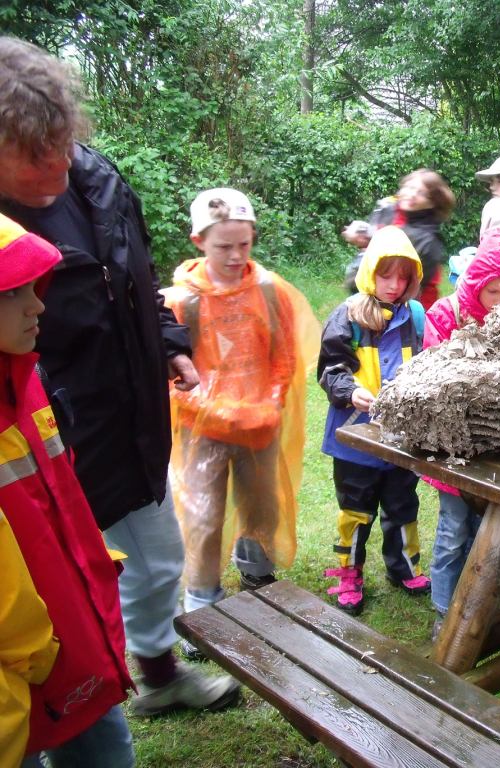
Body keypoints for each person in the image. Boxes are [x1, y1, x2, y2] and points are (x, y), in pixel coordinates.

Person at [0, 35, 240, 716]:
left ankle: (158, 675)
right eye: (30, 150)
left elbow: (134, 277)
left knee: (160, 557)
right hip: (39, 444)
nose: (54, 161)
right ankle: (66, 713)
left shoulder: (97, 179)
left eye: (60, 139)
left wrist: (166, 339)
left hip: (131, 417)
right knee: (57, 589)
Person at [0, 213, 134, 767]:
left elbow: (61, 492)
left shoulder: (26, 378)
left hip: (72, 630)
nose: (38, 305)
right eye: (13, 291)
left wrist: (96, 562)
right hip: (19, 666)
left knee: (105, 749)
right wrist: (34, 651)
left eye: (36, 285)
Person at [163, 188, 319, 630]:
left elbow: (284, 353)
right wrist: (210, 407)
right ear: (199, 242)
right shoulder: (182, 301)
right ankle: (202, 601)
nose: (235, 256)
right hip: (203, 428)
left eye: (244, 245)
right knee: (203, 513)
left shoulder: (268, 291)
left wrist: (271, 399)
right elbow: (170, 371)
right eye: (223, 247)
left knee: (261, 503)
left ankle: (255, 570)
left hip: (258, 424)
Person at [424, 228, 500, 637]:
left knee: (491, 529)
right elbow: (434, 376)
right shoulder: (447, 316)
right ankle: (443, 610)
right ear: (476, 286)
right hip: (456, 447)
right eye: (494, 292)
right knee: (454, 532)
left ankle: (478, 602)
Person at [319, 226, 431, 614]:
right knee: (356, 508)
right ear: (370, 271)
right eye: (387, 275)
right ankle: (348, 571)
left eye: (404, 276)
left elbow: (427, 362)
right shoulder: (347, 314)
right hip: (354, 436)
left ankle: (403, 565)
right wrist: (350, 391)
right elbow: (330, 369)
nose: (395, 285)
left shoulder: (415, 314)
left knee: (403, 503)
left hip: (401, 437)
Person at [343, 169, 455, 309]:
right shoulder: (394, 212)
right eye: (410, 188)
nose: (412, 195)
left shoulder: (427, 239)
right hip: (382, 301)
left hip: (408, 310)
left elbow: (402, 279)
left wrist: (366, 243)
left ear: (432, 203)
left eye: (422, 193)